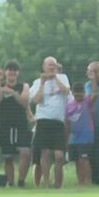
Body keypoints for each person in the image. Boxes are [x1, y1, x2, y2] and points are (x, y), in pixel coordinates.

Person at [29, 57, 70, 188]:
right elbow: (37, 100)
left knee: (59, 155)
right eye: (49, 65)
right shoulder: (37, 82)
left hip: (58, 122)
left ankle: (58, 184)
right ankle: (46, 182)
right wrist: (43, 83)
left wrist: (55, 77)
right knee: (45, 153)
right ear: (44, 67)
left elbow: (66, 91)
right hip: (43, 120)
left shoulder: (63, 78)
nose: (51, 67)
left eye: (53, 65)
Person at [0, 60, 32, 187]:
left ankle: (21, 180)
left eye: (14, 70)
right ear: (5, 72)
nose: (12, 72)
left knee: (25, 153)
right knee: (8, 157)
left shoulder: (24, 86)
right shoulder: (0, 85)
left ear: (18, 73)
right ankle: (10, 182)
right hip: (5, 124)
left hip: (20, 124)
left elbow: (24, 102)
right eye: (9, 70)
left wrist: (13, 93)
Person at [65, 82, 97, 185]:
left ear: (84, 92)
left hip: (86, 136)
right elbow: (67, 123)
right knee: (77, 161)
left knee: (84, 159)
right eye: (76, 93)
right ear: (72, 93)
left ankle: (88, 181)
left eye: (81, 93)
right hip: (74, 138)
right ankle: (81, 181)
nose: (79, 95)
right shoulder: (69, 105)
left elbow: (95, 94)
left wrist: (93, 79)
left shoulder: (87, 101)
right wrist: (66, 139)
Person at [86, 61, 99, 185]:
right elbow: (91, 99)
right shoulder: (87, 85)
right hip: (90, 125)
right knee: (91, 153)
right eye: (91, 71)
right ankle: (93, 179)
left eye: (96, 71)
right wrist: (93, 80)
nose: (93, 74)